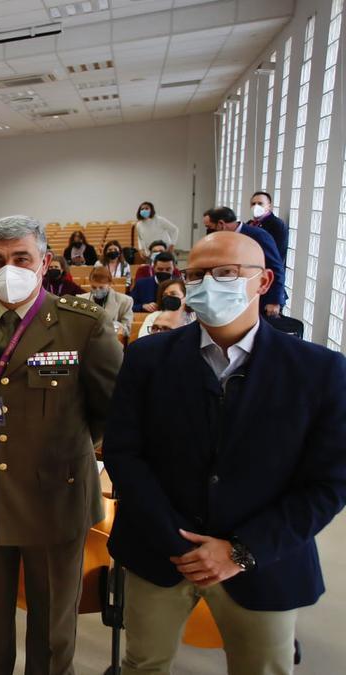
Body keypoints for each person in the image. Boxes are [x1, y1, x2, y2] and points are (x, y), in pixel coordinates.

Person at [103, 231, 346, 675]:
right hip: (161, 551)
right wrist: (175, 540)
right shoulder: (147, 358)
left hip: (263, 560)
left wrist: (239, 551)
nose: (208, 283)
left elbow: (329, 483)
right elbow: (123, 453)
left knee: (263, 667)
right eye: (196, 274)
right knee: (142, 664)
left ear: (264, 281)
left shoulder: (319, 371)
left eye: (226, 273)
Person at [0, 215, 122, 675]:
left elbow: (111, 411)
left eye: (22, 258)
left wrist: (57, 447)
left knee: (51, 629)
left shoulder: (83, 325)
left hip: (55, 494)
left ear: (45, 263)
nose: (10, 268)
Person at [204, 207, 286, 317]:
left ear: (221, 224)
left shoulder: (258, 236)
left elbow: (276, 267)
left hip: (263, 300)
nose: (208, 232)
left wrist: (275, 301)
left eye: (209, 228)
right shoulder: (224, 239)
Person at [80, 266, 133, 338]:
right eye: (94, 287)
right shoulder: (81, 299)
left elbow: (127, 330)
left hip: (111, 341)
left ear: (109, 285)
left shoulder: (125, 301)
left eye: (101, 287)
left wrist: (113, 325)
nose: (97, 290)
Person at [246, 191, 289, 262]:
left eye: (260, 203)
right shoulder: (249, 224)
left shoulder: (277, 224)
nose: (256, 206)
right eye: (253, 204)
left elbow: (278, 253)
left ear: (269, 206)